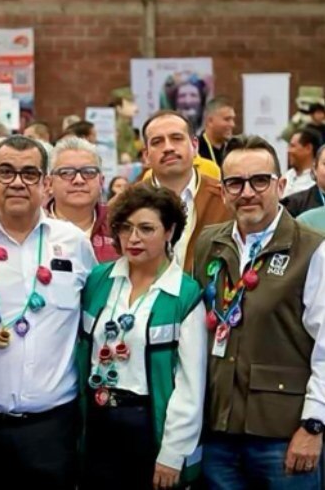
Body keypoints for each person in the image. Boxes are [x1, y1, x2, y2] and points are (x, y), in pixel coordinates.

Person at [0, 135, 97, 489]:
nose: (17, 182)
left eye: (29, 174)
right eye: (6, 172)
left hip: (53, 429)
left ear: (46, 183)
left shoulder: (74, 242)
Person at [189, 135, 325, 489]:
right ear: (223, 192)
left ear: (281, 186)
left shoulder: (313, 249)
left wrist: (314, 425)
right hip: (217, 432)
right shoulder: (208, 243)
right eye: (235, 182)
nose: (247, 192)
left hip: (284, 435)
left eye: (260, 180)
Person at [77, 185, 205, 489]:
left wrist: (173, 453)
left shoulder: (184, 294)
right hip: (96, 421)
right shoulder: (99, 280)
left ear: (169, 231)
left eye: (146, 229)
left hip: (148, 425)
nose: (133, 238)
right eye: (126, 228)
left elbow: (191, 385)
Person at [140, 111, 231, 271]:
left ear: (195, 146)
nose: (168, 147)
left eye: (177, 138)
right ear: (146, 156)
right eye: (157, 142)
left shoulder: (225, 199)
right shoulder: (124, 206)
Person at [47, 137, 118, 263]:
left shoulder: (119, 224)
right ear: (49, 183)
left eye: (89, 172)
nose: (79, 180)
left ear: (101, 182)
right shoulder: (34, 227)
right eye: (66, 173)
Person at [284, 128, 323, 198]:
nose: (288, 151)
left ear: (308, 148)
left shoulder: (317, 181)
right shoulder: (287, 175)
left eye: (293, 146)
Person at [198, 97, 236, 168]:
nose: (232, 124)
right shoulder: (195, 151)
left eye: (233, 119)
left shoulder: (234, 150)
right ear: (210, 121)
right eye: (227, 119)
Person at [112, 87, 140, 162]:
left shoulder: (126, 125)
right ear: (119, 108)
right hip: (124, 162)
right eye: (130, 104)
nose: (136, 108)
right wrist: (124, 155)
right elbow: (118, 144)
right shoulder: (120, 126)